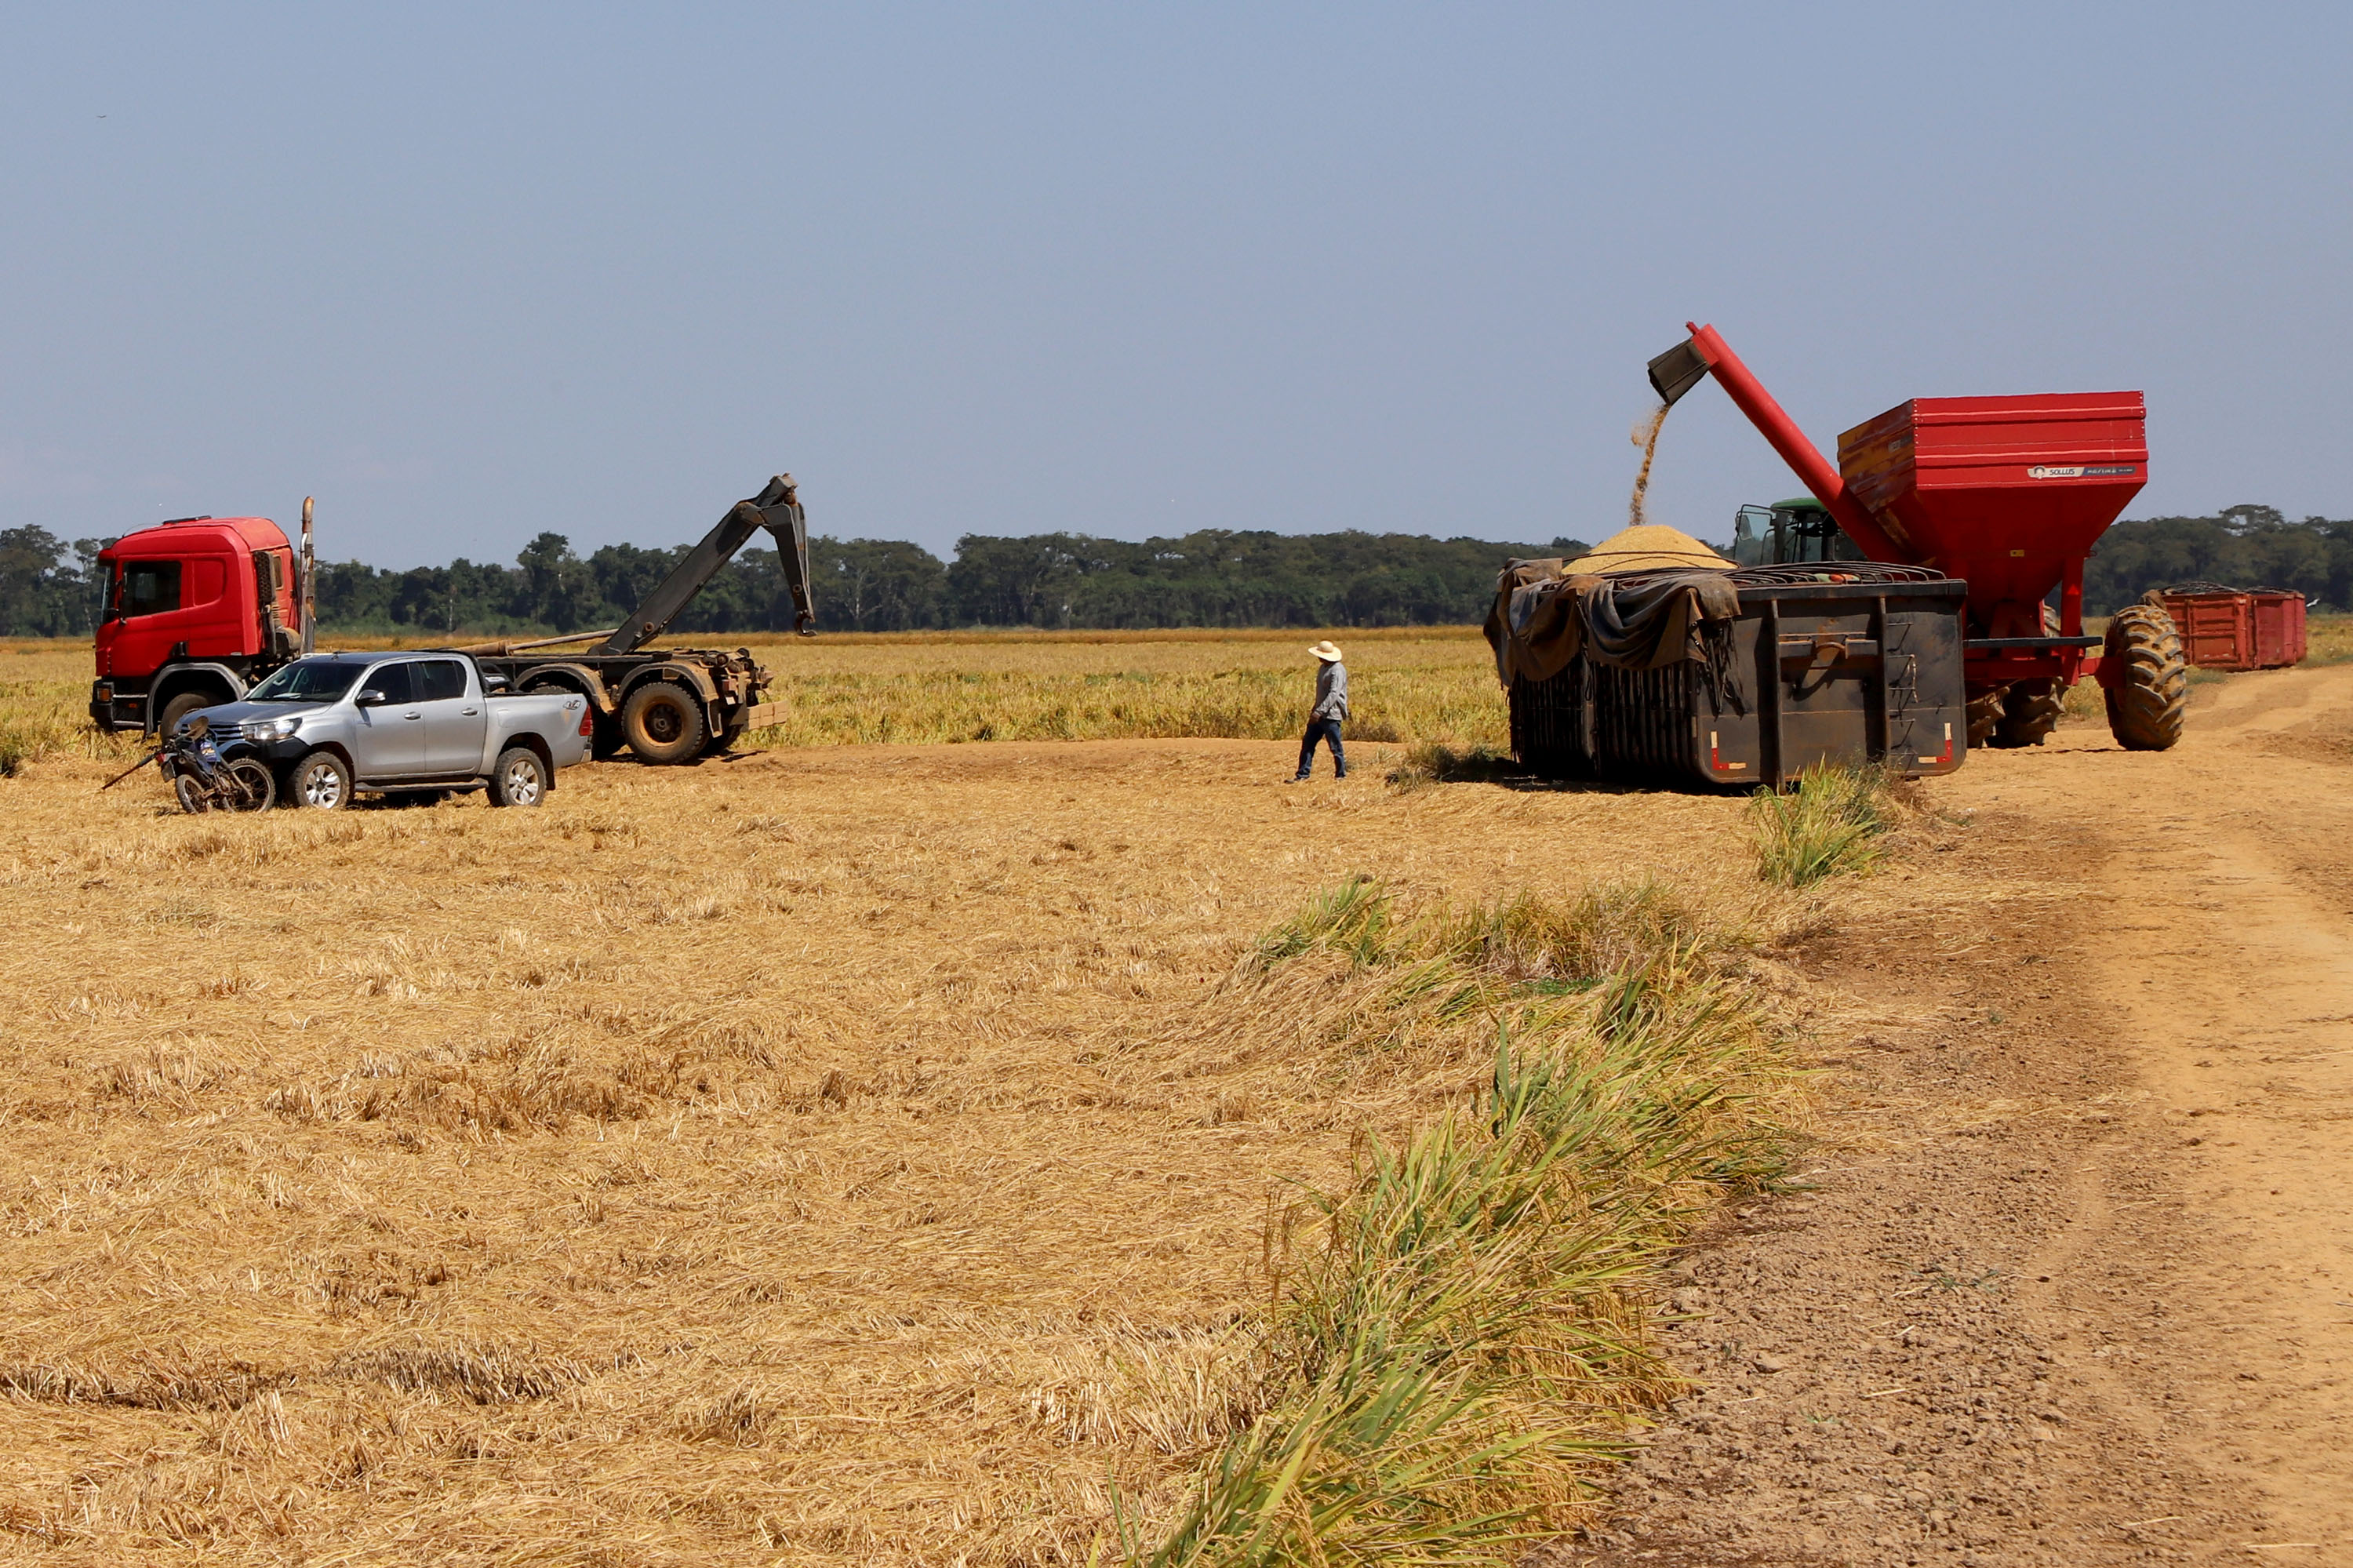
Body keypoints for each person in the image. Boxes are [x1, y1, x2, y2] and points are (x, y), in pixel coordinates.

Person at [1293, 641, 1348, 780]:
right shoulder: (1323, 667)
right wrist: (1316, 710)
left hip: (1331, 715)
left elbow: (1333, 694)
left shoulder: (1337, 670)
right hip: (1318, 713)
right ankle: (1303, 774)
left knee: (1335, 747)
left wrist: (1320, 711)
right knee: (1308, 743)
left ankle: (1340, 775)